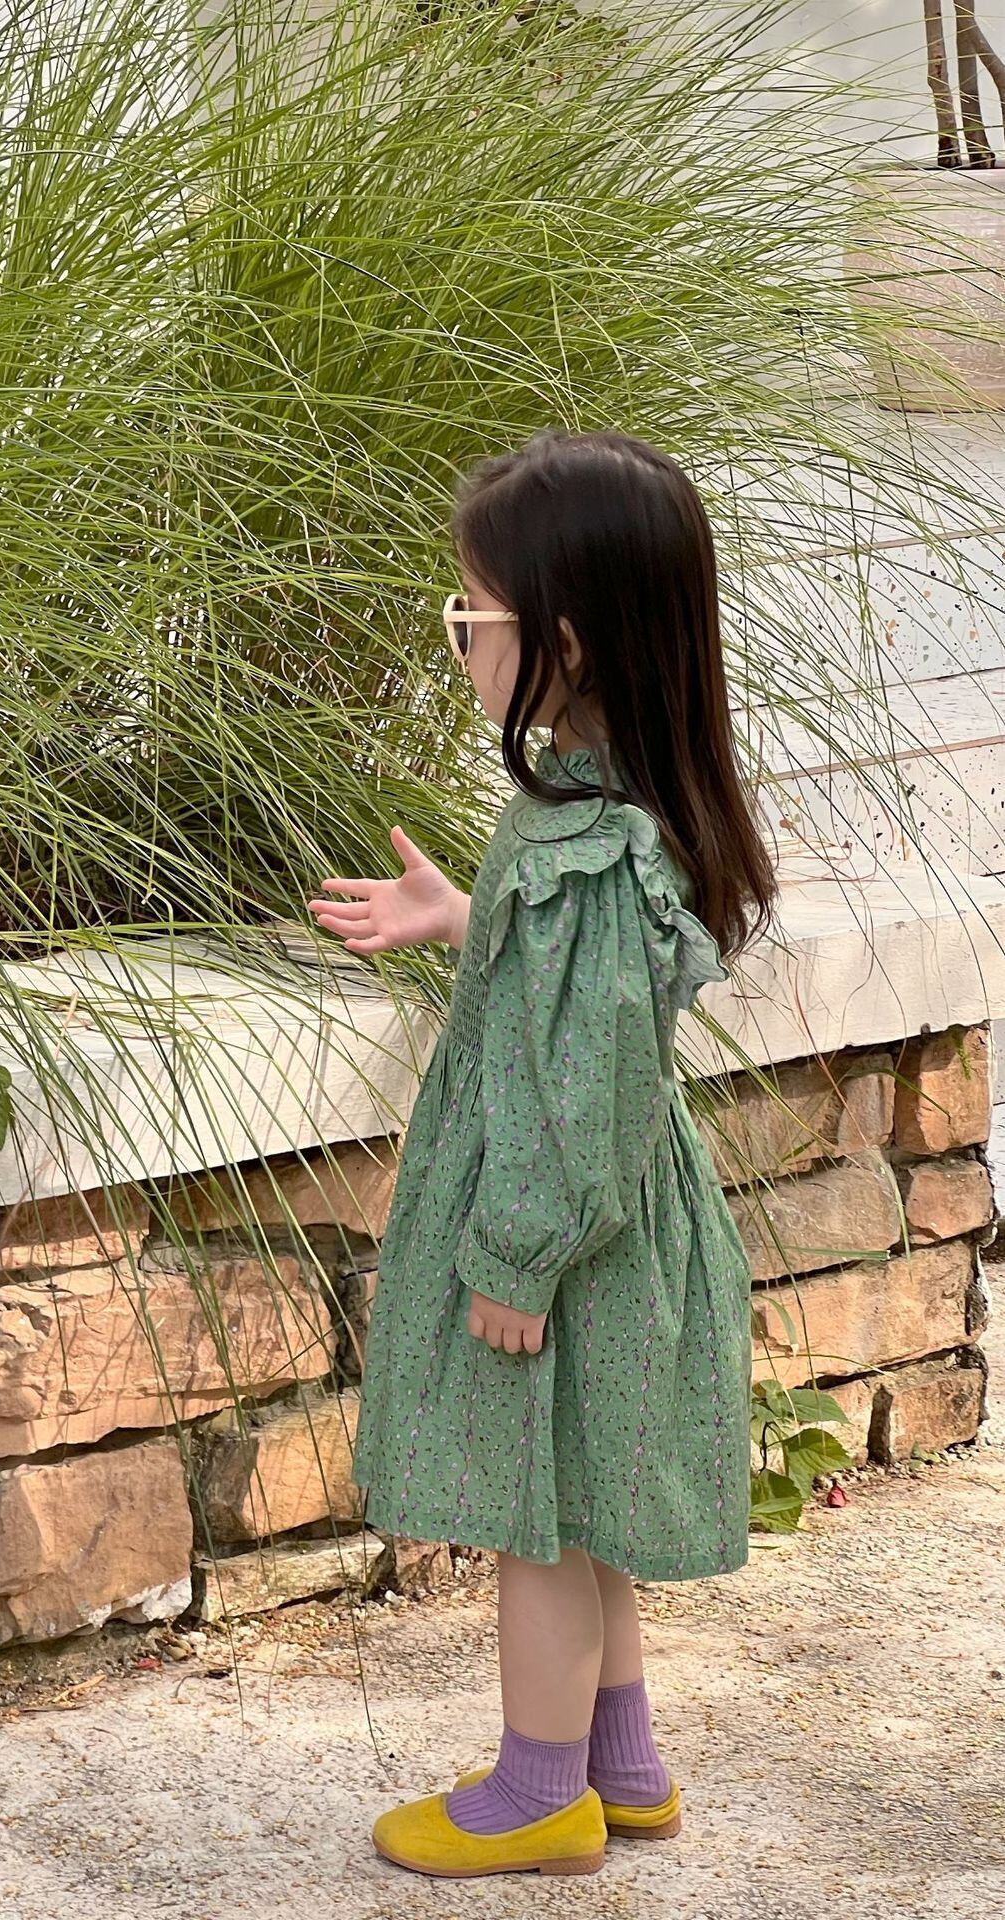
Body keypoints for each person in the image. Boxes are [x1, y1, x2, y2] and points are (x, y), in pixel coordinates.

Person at [306, 427, 775, 1881]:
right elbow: (586, 1004)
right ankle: (619, 1768)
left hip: (563, 1236)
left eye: (473, 615)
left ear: (560, 643)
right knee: (582, 1502)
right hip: (614, 1228)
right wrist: (468, 918)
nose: (458, 641)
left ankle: (536, 1797)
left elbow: (580, 1090)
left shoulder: (579, 851)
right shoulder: (609, 812)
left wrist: (515, 1256)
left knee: (536, 1526)